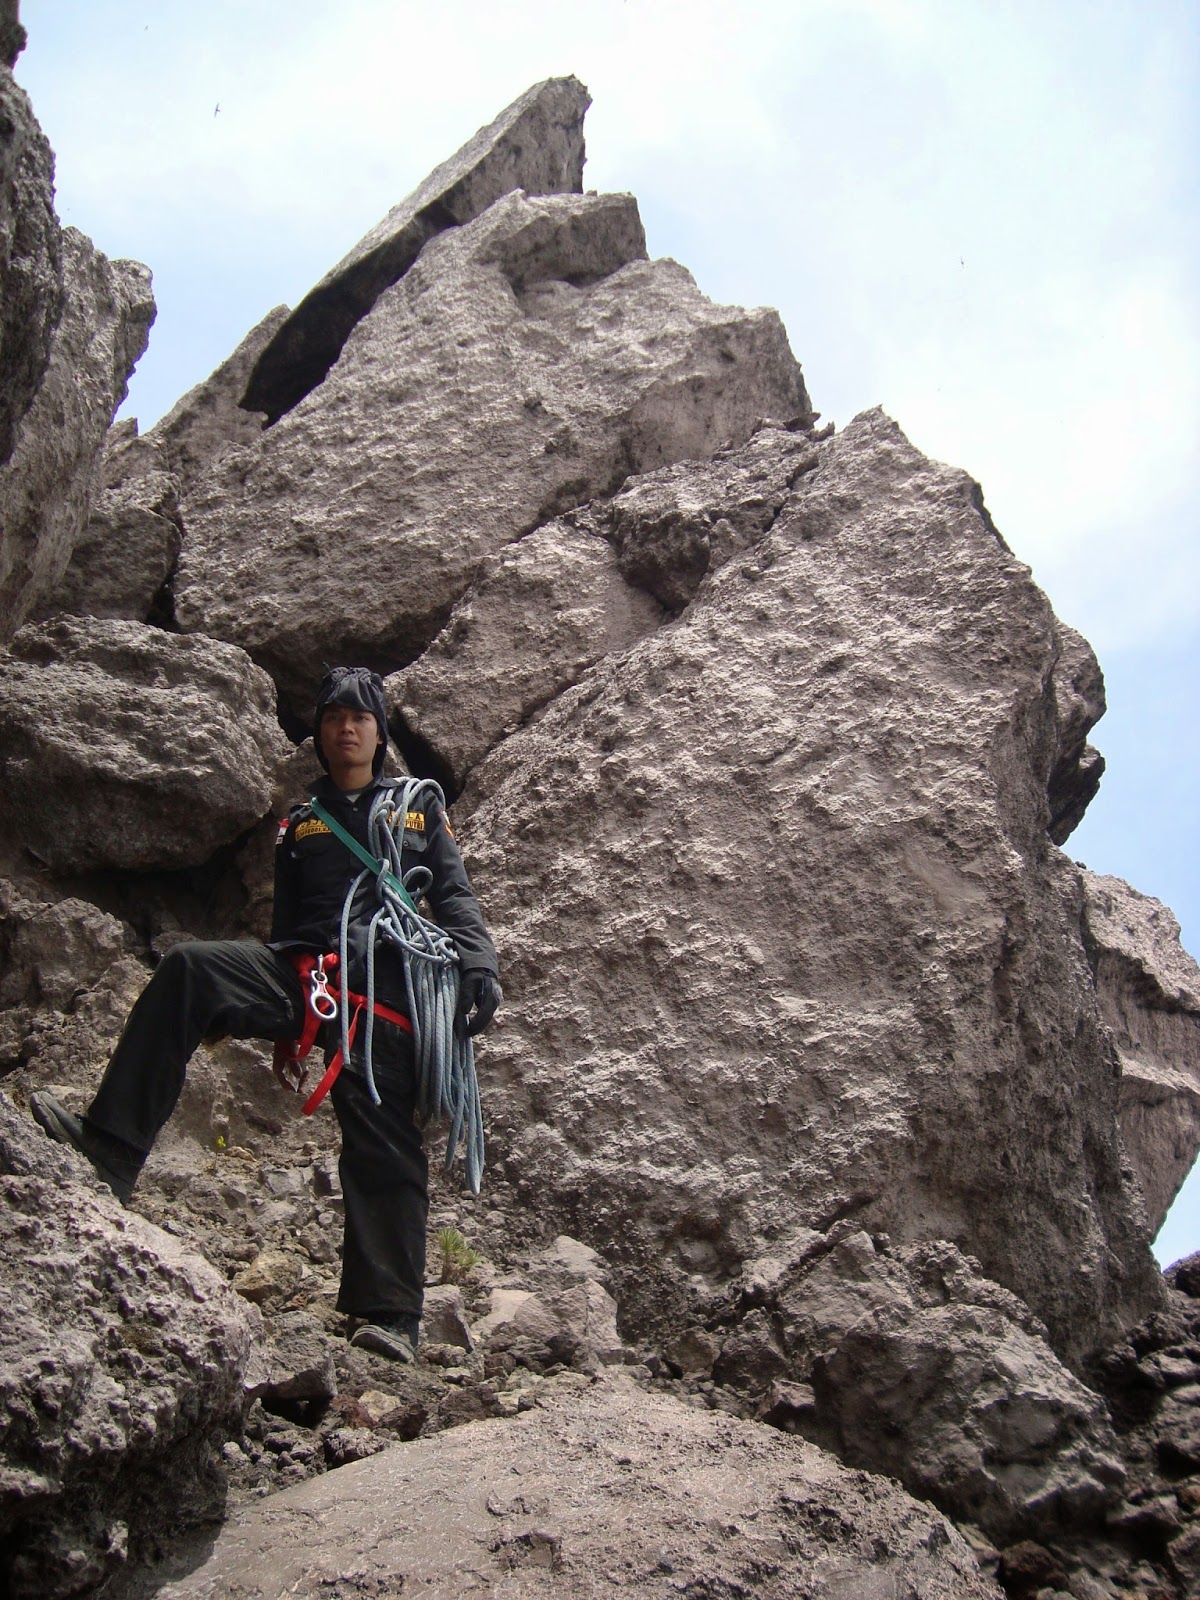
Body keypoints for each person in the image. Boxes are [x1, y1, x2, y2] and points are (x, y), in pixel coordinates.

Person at [30, 667, 501, 1364]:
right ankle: (112, 1148)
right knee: (191, 968)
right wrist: (286, 1030)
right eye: (334, 715)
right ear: (319, 731)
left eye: (360, 718)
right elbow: (286, 923)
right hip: (304, 980)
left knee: (385, 1148)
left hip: (388, 998)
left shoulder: (416, 808)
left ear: (379, 733)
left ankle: (391, 1316)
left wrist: (478, 963)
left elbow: (453, 897)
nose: (346, 727)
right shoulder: (299, 822)